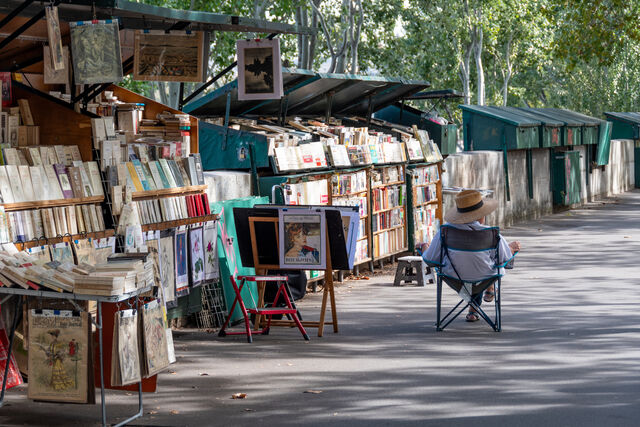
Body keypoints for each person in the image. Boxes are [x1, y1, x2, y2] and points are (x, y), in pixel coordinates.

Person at [420, 190, 521, 322]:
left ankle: (474, 307)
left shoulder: (445, 232)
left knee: (470, 266)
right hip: (486, 278)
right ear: (481, 216)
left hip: (454, 278)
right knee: (484, 267)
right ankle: (488, 290)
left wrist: (423, 248)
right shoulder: (491, 233)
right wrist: (511, 248)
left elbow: (430, 260)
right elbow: (504, 258)